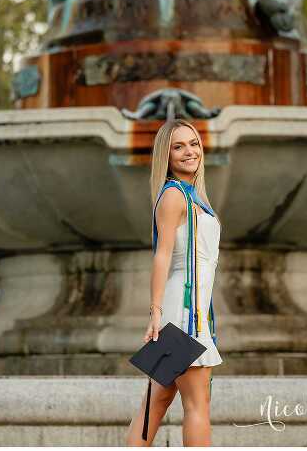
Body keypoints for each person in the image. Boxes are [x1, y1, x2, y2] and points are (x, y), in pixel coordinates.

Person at [126, 119, 222, 447]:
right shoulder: (174, 196)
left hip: (189, 310)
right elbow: (161, 257)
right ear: (165, 156)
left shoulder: (193, 196)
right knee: (197, 405)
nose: (189, 151)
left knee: (157, 402)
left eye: (193, 143)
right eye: (178, 146)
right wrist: (155, 312)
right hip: (183, 315)